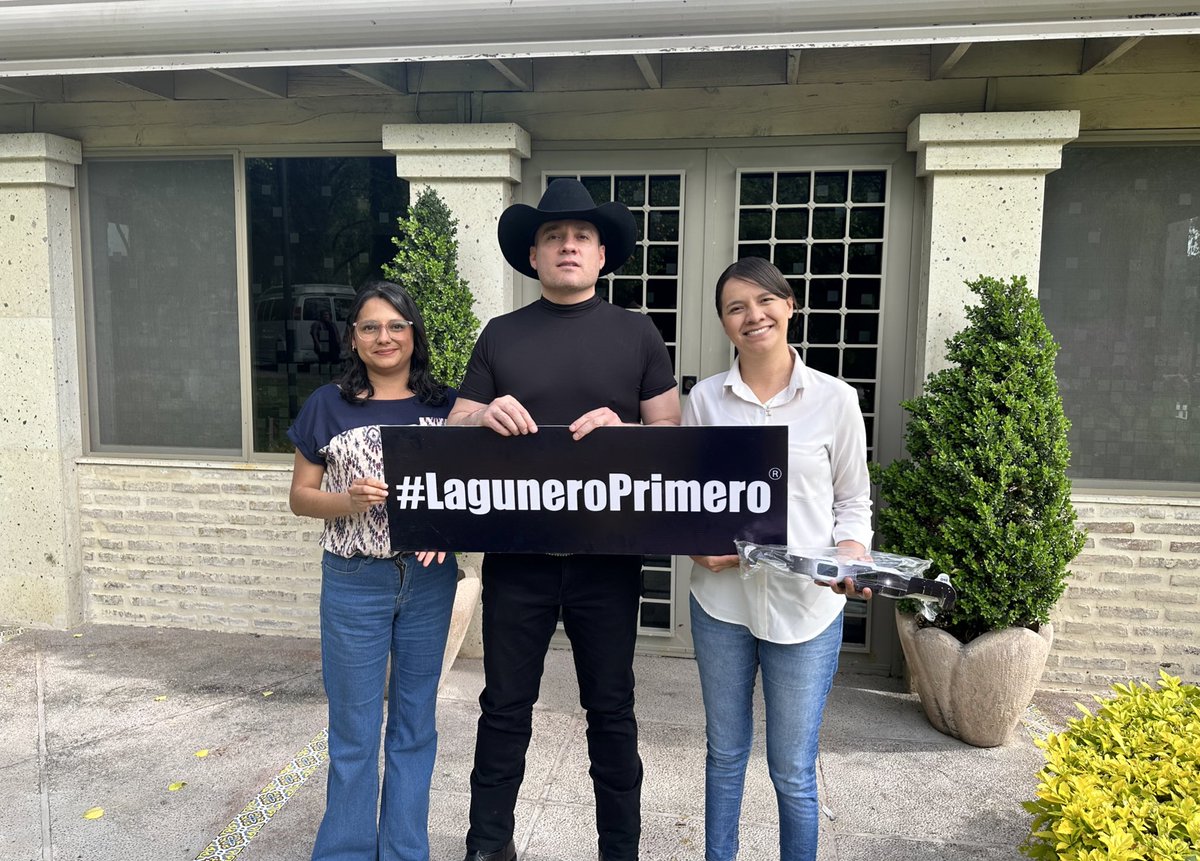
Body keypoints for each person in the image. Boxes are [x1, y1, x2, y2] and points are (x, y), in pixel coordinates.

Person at [449, 178, 681, 861]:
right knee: (502, 710)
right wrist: (482, 414)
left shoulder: (637, 332)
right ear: (534, 255)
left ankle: (621, 849)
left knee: (610, 712)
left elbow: (671, 434)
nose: (568, 245)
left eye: (580, 235)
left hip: (606, 561)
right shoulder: (501, 334)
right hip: (516, 559)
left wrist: (628, 425)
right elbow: (455, 420)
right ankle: (488, 847)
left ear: (602, 254)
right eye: (554, 236)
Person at [683, 257, 874, 861]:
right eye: (735, 308)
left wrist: (850, 553)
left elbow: (853, 500)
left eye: (764, 302)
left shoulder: (836, 400)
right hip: (722, 604)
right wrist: (694, 542)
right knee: (724, 754)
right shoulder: (706, 400)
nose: (752, 316)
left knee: (792, 769)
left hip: (806, 609)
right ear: (722, 323)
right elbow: (685, 498)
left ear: (789, 307)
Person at [287, 280, 458, 861]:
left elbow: (471, 492)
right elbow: (300, 497)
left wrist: (448, 529)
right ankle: (344, 851)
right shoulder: (328, 404)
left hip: (429, 583)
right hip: (355, 579)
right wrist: (347, 502)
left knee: (415, 725)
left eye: (396, 326)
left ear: (414, 335)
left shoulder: (447, 407)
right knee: (355, 731)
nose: (384, 337)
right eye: (370, 327)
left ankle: (405, 850)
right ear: (354, 340)